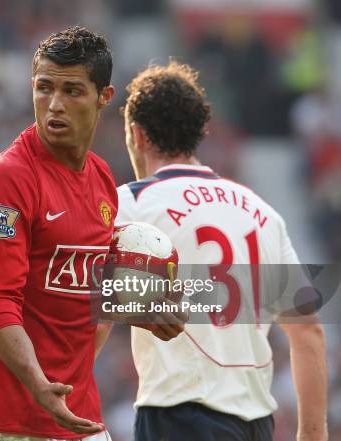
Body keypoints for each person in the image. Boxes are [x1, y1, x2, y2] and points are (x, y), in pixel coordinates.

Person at [0, 26, 186, 441]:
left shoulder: (103, 179)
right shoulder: (7, 181)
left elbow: (83, 291)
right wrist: (37, 384)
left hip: (77, 417)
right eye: (44, 88)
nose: (54, 104)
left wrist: (140, 308)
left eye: (72, 91)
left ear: (104, 97)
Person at [116, 61, 328, 441]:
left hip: (177, 413)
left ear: (138, 134)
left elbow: (95, 315)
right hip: (255, 422)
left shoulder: (133, 204)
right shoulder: (264, 214)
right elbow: (308, 332)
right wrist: (312, 434)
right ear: (198, 134)